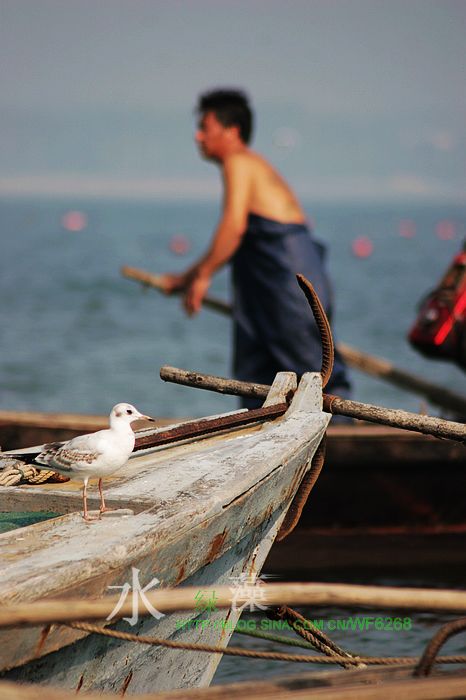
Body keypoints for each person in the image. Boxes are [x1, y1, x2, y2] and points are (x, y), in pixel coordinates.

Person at [160, 88, 351, 407]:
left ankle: (341, 438)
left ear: (232, 131)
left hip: (287, 278)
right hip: (268, 283)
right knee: (262, 375)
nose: (198, 136)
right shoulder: (243, 165)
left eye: (205, 128)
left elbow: (233, 228)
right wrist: (188, 277)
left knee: (310, 370)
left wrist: (203, 276)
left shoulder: (239, 162)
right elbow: (231, 236)